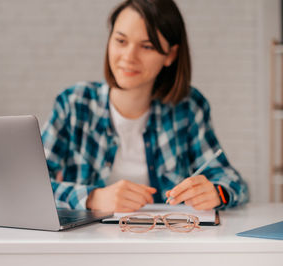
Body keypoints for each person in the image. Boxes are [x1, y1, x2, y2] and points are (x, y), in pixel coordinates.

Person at [42, 0, 249, 213]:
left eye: (147, 46)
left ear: (170, 55)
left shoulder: (187, 107)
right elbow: (28, 186)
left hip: (166, 241)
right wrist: (93, 198)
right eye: (121, 41)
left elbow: (233, 182)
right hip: (88, 242)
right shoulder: (74, 103)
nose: (129, 57)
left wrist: (217, 192)